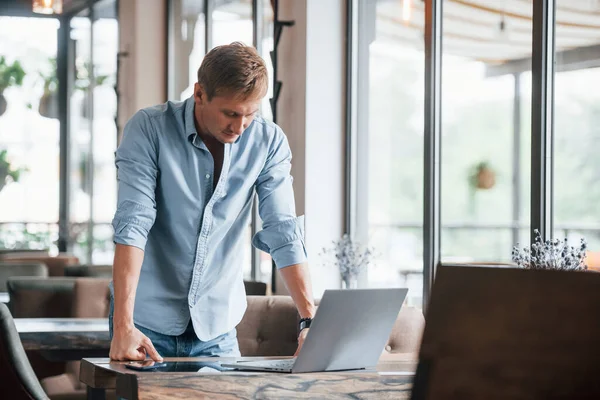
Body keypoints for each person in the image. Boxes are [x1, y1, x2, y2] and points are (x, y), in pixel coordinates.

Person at [108, 42, 315, 362]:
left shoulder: (268, 141)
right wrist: (123, 325)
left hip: (217, 330)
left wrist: (309, 319)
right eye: (230, 113)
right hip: (145, 326)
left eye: (250, 114)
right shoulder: (149, 128)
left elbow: (282, 229)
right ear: (199, 93)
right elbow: (133, 222)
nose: (240, 126)